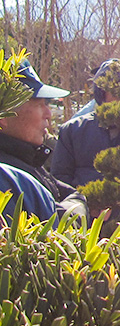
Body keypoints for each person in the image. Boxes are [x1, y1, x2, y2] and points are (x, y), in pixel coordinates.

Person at [0, 58, 87, 218]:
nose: (48, 114)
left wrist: (77, 201)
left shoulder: (26, 158)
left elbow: (68, 193)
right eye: (40, 104)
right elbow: (60, 224)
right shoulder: (6, 176)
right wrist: (78, 207)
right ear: (4, 114)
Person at [52, 59, 120, 187]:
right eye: (114, 91)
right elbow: (59, 180)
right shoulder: (73, 131)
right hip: (84, 204)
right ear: (101, 93)